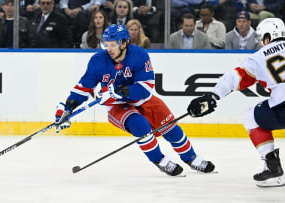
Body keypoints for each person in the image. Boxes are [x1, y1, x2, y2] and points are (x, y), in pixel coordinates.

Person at [54, 24, 215, 176]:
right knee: (140, 126)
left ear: (124, 43)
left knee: (172, 130)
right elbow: (84, 87)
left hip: (143, 100)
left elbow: (145, 88)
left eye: (113, 45)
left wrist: (120, 91)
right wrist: (68, 107)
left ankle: (191, 158)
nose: (108, 49)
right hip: (116, 106)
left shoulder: (139, 55)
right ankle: (159, 160)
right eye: (106, 44)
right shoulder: (97, 61)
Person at [187, 18, 285, 187]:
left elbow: (235, 77)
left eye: (262, 38)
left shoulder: (260, 57)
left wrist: (213, 95)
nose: (261, 43)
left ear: (268, 38)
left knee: (251, 117)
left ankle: (273, 169)